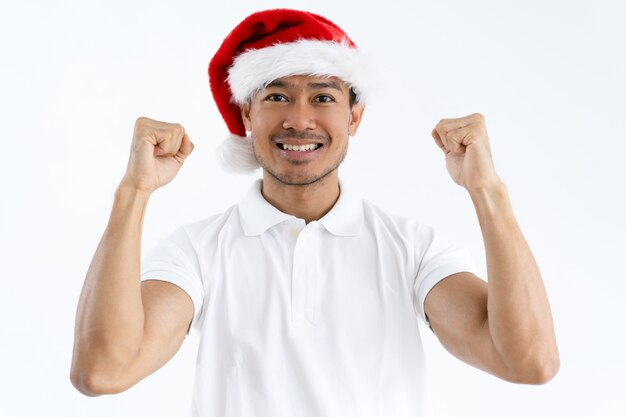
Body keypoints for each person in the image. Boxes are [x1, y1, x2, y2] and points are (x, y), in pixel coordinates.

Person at [70, 8, 559, 417]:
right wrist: (134, 192)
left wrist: (487, 190)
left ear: (354, 116)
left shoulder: (413, 250)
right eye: (276, 96)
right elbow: (102, 371)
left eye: (322, 97)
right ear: (246, 115)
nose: (299, 119)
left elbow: (529, 362)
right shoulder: (197, 252)